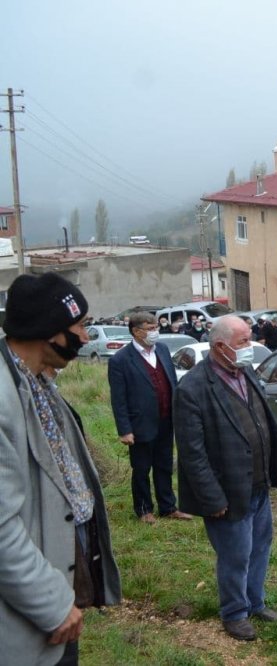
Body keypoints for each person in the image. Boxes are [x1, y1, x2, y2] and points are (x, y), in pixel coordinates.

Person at [0, 272, 122, 665]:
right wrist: (51, 604)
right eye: (80, 327)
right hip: (33, 613)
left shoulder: (36, 383)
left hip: (56, 591)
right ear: (48, 330)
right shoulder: (4, 399)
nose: (86, 339)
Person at [174, 315, 277, 641]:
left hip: (258, 484)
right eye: (243, 342)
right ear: (221, 347)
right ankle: (234, 613)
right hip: (227, 491)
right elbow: (193, 454)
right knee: (235, 554)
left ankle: (254, 602)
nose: (250, 348)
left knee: (260, 546)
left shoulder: (245, 372)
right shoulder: (193, 388)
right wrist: (212, 498)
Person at [108, 312, 191, 524]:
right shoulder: (121, 360)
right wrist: (124, 429)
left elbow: (171, 381)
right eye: (150, 328)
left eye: (156, 327)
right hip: (140, 423)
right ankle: (144, 509)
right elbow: (119, 399)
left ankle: (168, 506)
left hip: (165, 418)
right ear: (136, 332)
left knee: (164, 464)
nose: (155, 332)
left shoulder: (161, 350)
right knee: (142, 468)